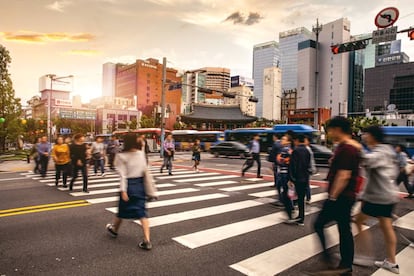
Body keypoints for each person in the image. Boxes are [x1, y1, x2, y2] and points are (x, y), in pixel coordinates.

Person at [313, 116, 360, 275]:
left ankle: (335, 261)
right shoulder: (346, 146)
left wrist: (332, 197)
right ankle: (345, 265)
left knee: (320, 224)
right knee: (343, 229)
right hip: (345, 196)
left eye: (331, 129)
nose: (330, 133)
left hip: (341, 196)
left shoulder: (347, 148)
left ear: (338, 129)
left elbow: (344, 175)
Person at [353, 126, 400, 274]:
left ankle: (364, 255)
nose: (364, 136)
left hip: (378, 197)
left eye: (366, 134)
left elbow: (368, 160)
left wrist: (356, 146)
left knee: (358, 221)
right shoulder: (388, 150)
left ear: (373, 136)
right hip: (388, 195)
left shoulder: (379, 152)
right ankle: (392, 262)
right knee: (386, 228)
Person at [106, 134, 152, 250]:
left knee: (122, 210)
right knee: (142, 212)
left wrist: (123, 190)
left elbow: (123, 176)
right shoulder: (141, 153)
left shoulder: (121, 156)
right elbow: (144, 169)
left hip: (129, 186)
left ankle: (114, 229)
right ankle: (147, 240)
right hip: (140, 185)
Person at [287, 134, 311, 226]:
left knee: (294, 197)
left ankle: (299, 217)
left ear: (296, 140)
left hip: (297, 178)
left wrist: (291, 178)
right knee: (301, 199)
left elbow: (293, 166)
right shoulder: (307, 150)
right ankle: (301, 217)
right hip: (305, 178)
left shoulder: (296, 151)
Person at [274, 135, 294, 216]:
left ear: (288, 141)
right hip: (284, 172)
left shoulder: (285, 150)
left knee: (286, 190)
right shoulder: (289, 149)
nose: (281, 140)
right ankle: (288, 205)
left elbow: (280, 160)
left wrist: (279, 159)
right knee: (285, 189)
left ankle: (289, 207)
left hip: (284, 172)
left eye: (283, 139)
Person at [304, 136, 317, 203]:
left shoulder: (307, 149)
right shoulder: (307, 149)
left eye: (305, 140)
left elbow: (311, 161)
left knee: (306, 184)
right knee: (306, 184)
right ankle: (308, 198)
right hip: (307, 169)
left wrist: (312, 169)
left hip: (306, 169)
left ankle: (308, 198)